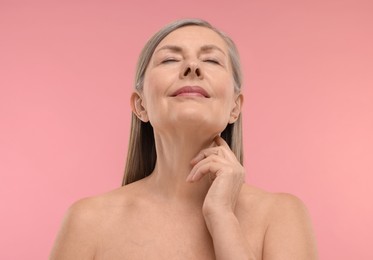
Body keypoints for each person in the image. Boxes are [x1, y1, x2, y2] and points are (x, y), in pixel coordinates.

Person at [50, 18, 317, 259]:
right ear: (140, 105)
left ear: (235, 107)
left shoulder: (281, 216)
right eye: (169, 60)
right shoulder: (88, 221)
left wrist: (222, 218)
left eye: (211, 60)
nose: (192, 66)